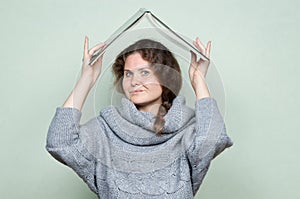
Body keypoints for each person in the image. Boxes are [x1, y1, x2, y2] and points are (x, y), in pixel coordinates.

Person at [46, 37, 233, 198]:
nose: (134, 82)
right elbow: (60, 142)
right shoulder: (104, 130)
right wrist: (86, 78)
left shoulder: (188, 128)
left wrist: (198, 79)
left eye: (144, 72)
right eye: (128, 74)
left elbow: (213, 139)